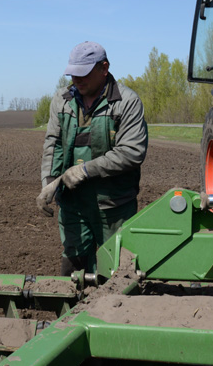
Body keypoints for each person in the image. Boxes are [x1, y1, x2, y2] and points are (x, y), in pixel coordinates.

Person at [37, 41, 148, 276]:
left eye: (84, 73)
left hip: (113, 205)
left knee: (116, 270)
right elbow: (53, 144)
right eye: (73, 73)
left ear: (104, 68)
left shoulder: (126, 102)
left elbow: (132, 151)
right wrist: (49, 183)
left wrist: (84, 171)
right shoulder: (61, 100)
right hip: (73, 204)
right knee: (73, 267)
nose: (77, 79)